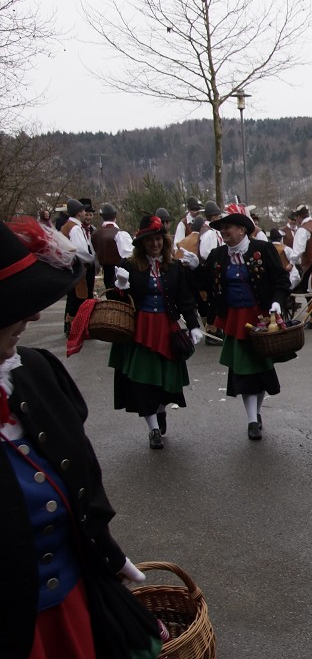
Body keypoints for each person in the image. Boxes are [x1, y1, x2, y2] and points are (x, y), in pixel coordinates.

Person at [0, 217, 162, 659]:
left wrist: (108, 556)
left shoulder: (35, 371)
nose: (33, 316)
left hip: (73, 606)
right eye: (12, 306)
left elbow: (81, 476)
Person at [110, 215, 204, 450]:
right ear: (141, 243)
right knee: (143, 382)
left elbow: (185, 298)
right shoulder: (129, 265)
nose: (155, 244)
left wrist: (193, 325)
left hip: (167, 328)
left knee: (164, 382)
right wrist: (120, 287)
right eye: (150, 240)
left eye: (159, 239)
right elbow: (117, 300)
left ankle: (160, 410)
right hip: (141, 330)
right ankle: (152, 428)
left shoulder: (174, 267)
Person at [205, 204, 291, 440]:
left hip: (260, 319)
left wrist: (277, 302)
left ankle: (257, 413)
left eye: (228, 227)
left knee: (260, 371)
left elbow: (281, 281)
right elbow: (205, 284)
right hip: (236, 319)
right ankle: (252, 421)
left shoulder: (263, 249)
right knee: (244, 372)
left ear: (242, 230)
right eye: (222, 228)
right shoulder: (217, 255)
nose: (224, 232)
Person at [59, 198, 96, 336]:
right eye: (82, 211)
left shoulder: (67, 225)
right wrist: (92, 259)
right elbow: (80, 250)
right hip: (79, 267)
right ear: (79, 212)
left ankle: (72, 327)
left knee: (73, 298)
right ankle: (76, 328)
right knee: (78, 298)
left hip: (71, 266)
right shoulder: (75, 228)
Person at [91, 202, 133, 289]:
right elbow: (129, 255)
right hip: (120, 273)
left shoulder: (95, 235)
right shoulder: (120, 234)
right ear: (115, 217)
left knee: (110, 296)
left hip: (105, 273)